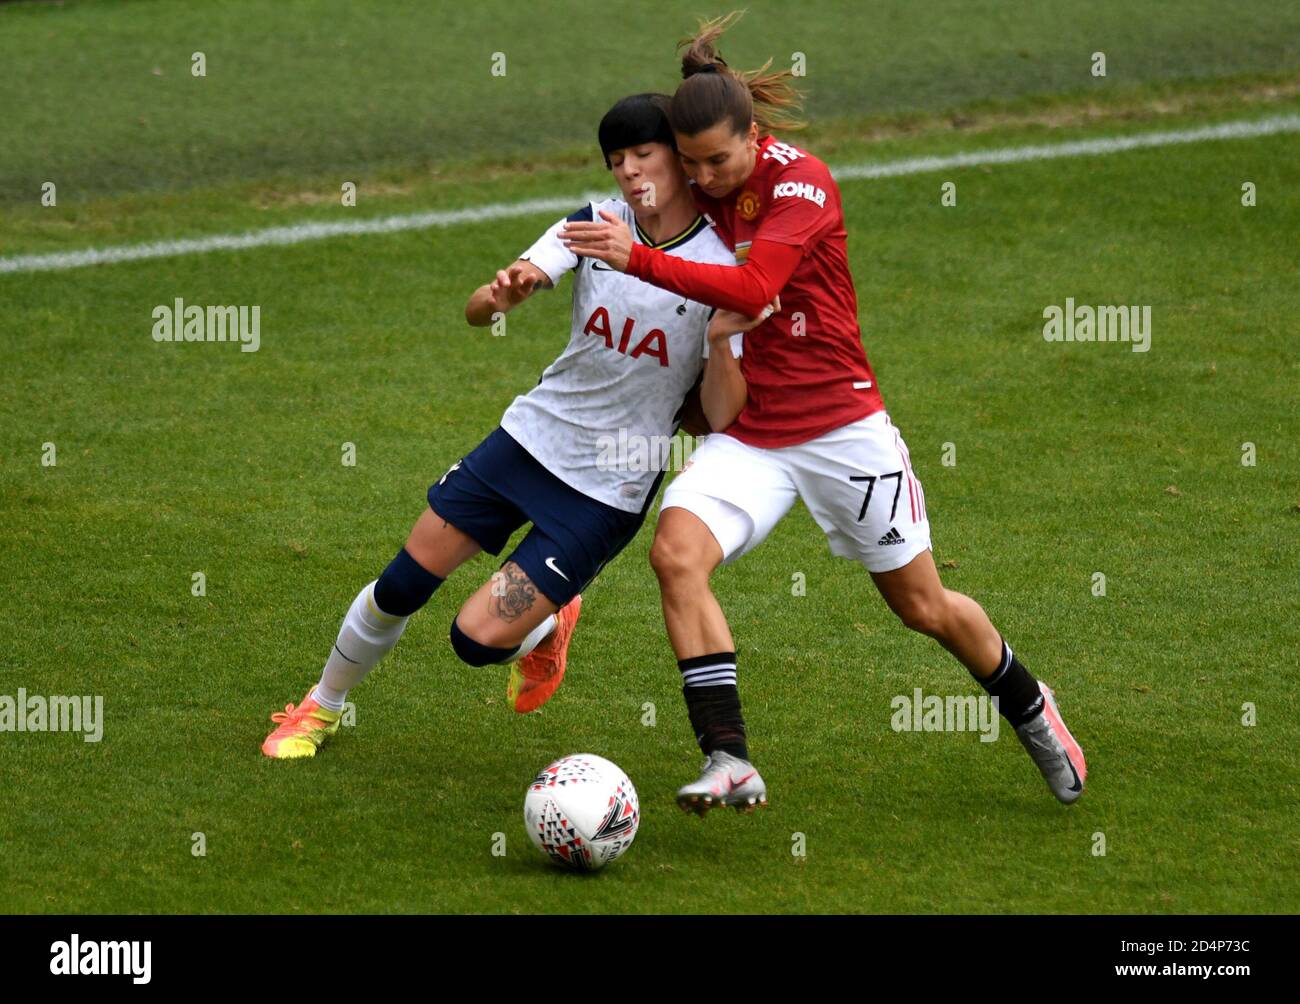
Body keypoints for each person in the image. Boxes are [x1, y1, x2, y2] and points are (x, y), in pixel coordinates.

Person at [559, 14, 1087, 812]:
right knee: (676, 557)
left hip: (843, 429)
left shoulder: (802, 183)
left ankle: (1028, 705)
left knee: (922, 606)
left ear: (755, 135)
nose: (702, 179)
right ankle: (730, 757)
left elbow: (755, 289)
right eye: (690, 163)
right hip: (753, 436)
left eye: (717, 161)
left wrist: (637, 259)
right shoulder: (706, 190)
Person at [261, 93, 765, 758]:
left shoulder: (724, 264)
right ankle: (319, 710)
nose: (630, 171)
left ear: (679, 157)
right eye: (617, 160)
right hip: (528, 442)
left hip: (603, 490)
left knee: (474, 641)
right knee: (402, 585)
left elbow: (723, 416)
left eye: (644, 154)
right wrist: (502, 293)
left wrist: (725, 341)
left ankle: (553, 614)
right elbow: (478, 309)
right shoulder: (593, 223)